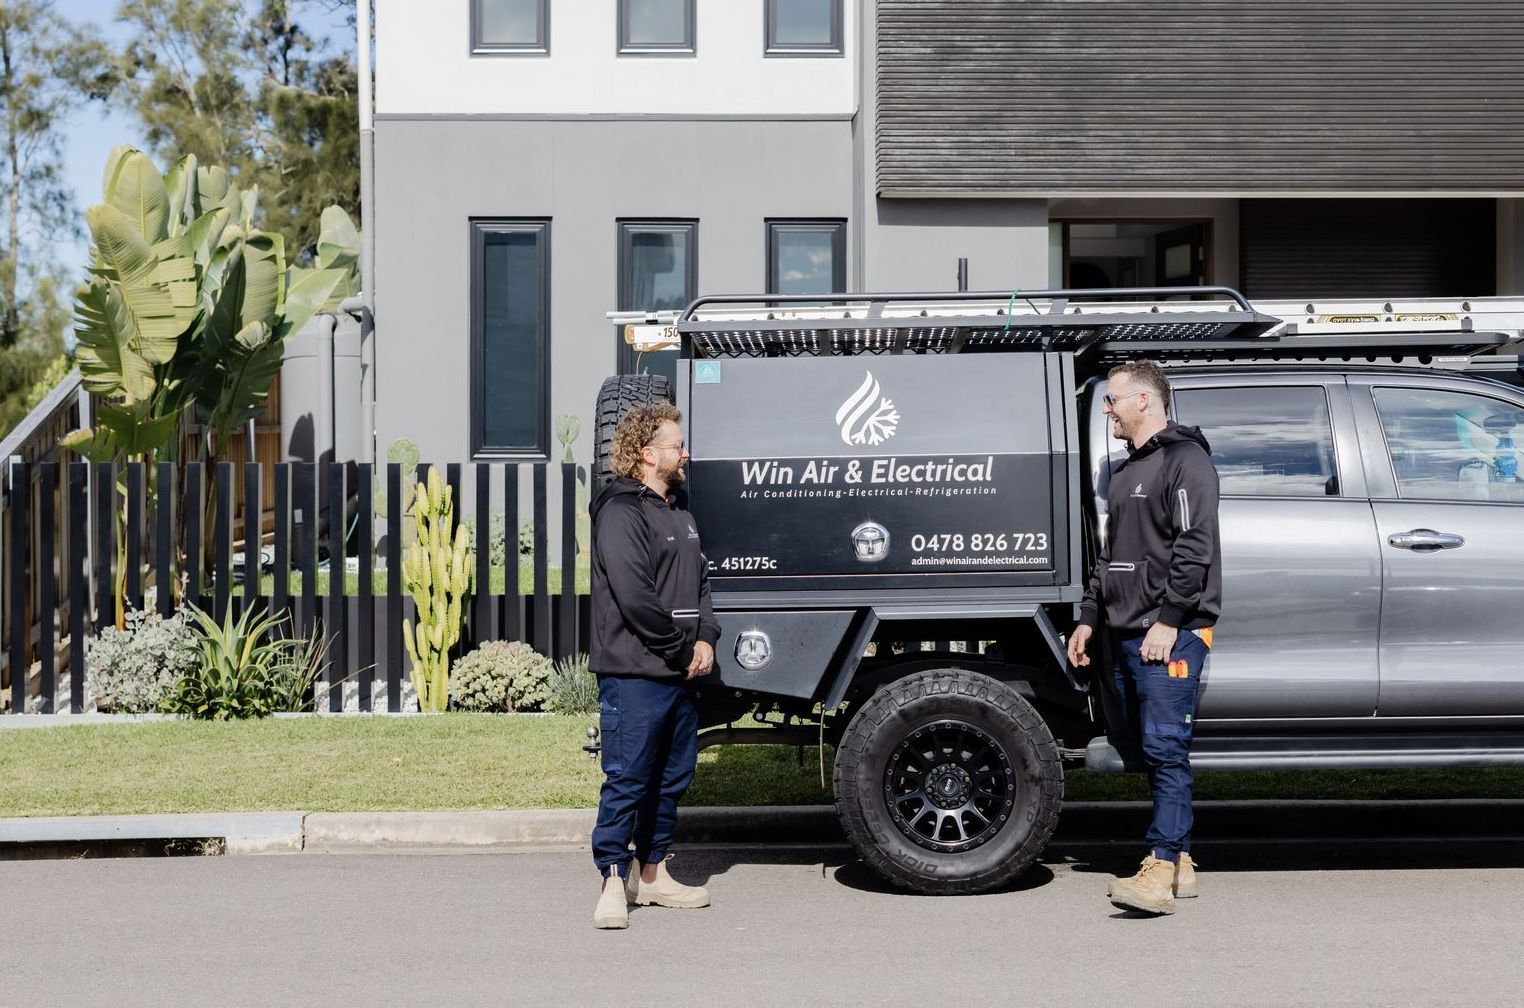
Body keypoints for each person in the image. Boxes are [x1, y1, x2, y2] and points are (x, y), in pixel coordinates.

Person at [1066, 359, 1221, 916]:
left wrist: (1170, 620)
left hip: (1169, 634)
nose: (1107, 409)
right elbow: (1109, 556)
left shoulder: (1187, 461)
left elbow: (1194, 547)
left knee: (1165, 748)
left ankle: (1159, 871)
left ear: (1145, 401)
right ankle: (1180, 862)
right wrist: (1089, 617)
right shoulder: (1125, 470)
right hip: (1124, 631)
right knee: (1145, 749)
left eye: (1113, 399)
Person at [588, 401, 719, 930]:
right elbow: (636, 597)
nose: (684, 453)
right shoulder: (621, 511)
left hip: (680, 674)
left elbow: (701, 585)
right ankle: (611, 883)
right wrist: (681, 651)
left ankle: (653, 874)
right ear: (646, 453)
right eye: (675, 445)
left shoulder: (679, 513)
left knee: (671, 779)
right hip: (635, 674)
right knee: (628, 779)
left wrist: (706, 638)